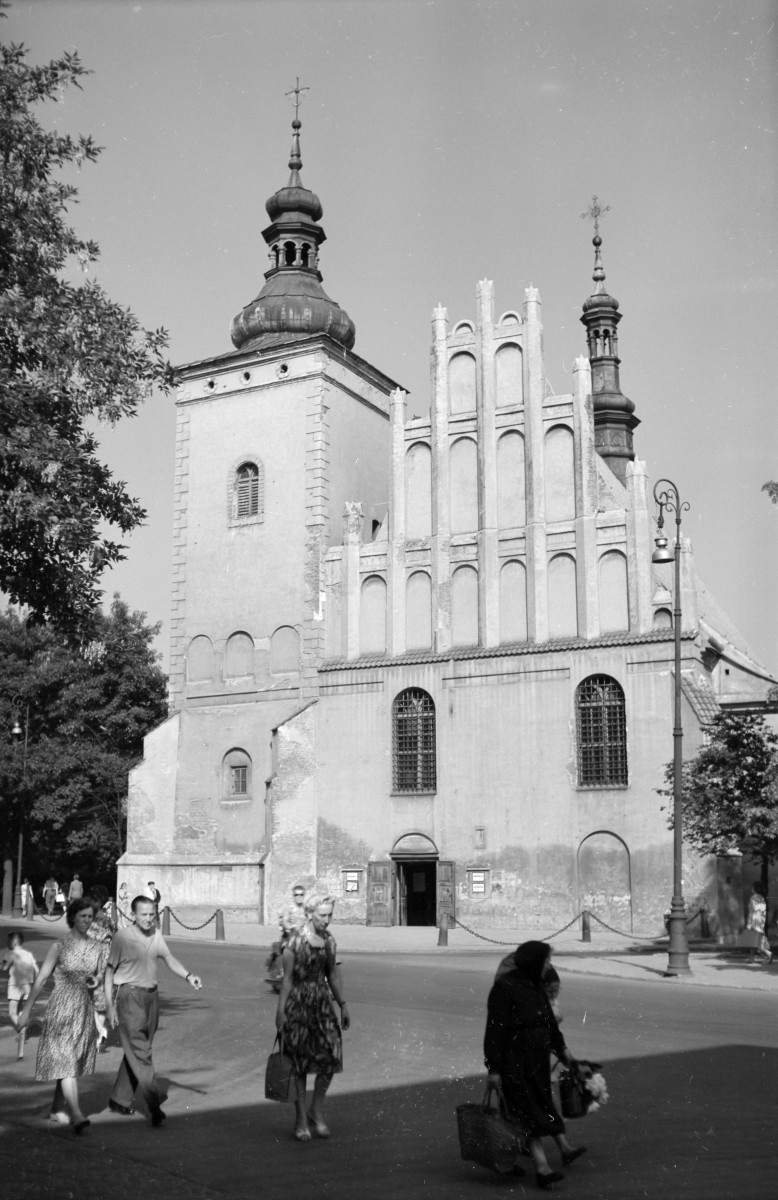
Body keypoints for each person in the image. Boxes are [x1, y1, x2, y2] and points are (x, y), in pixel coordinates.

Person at [484, 941, 586, 1189]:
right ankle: (542, 1168)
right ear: (534, 962)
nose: (548, 966)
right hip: (513, 1061)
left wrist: (565, 1053)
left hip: (537, 1061)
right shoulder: (504, 988)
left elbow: (550, 1025)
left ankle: (553, 1155)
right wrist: (494, 1069)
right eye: (546, 961)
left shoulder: (537, 987)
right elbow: (495, 1032)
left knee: (539, 1105)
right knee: (526, 1111)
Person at [104, 895, 203, 1126]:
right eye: (144, 915)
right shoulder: (122, 938)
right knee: (141, 1052)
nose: (148, 919)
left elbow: (168, 958)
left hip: (151, 998)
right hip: (129, 996)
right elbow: (109, 972)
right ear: (134, 915)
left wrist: (189, 976)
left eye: (152, 914)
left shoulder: (156, 935)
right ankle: (153, 1104)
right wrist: (109, 1007)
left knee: (139, 1049)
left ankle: (119, 1099)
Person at [17, 897, 104, 1132]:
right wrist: (26, 1010)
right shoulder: (59, 946)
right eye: (82, 916)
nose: (87, 920)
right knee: (65, 1061)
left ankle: (57, 1108)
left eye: (90, 916)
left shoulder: (97, 947)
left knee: (70, 1061)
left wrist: (96, 982)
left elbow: (97, 978)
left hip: (83, 1009)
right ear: (72, 917)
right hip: (60, 1009)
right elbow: (42, 978)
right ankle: (76, 1114)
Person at [276, 892, 350, 1142]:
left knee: (331, 1053)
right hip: (298, 1004)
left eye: (330, 915)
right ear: (309, 914)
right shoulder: (295, 942)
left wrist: (343, 1004)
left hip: (322, 1004)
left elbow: (333, 975)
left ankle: (316, 1108)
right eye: (322, 915)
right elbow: (286, 980)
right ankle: (300, 1118)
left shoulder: (329, 941)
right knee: (299, 1062)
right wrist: (280, 1011)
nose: (327, 920)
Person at [85, 885, 116, 1051]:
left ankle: (98, 1031)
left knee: (87, 996)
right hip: (106, 960)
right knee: (101, 998)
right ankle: (101, 1034)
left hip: (91, 959)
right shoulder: (109, 921)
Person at [1, 931, 39, 1059]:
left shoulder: (11, 954)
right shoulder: (28, 954)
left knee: (12, 1012)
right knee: (22, 1010)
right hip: (28, 985)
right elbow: (37, 970)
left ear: (14, 942)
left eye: (8, 941)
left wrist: (3, 963)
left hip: (15, 985)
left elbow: (5, 968)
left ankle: (22, 1027)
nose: (7, 943)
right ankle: (21, 1049)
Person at [745, 881, 772, 965]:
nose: (751, 889)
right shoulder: (762, 898)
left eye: (752, 887)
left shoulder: (753, 898)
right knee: (754, 941)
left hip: (754, 921)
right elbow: (763, 911)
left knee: (755, 941)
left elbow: (752, 911)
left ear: (754, 889)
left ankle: (768, 953)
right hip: (760, 921)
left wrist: (749, 923)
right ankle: (752, 958)